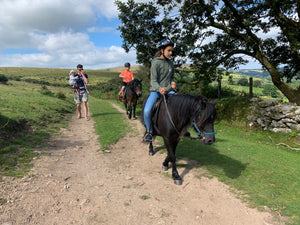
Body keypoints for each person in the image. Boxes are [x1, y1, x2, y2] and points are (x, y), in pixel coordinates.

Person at [143, 38, 176, 142]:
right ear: (162, 50)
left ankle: (179, 129)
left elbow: (171, 78)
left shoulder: (171, 63)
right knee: (147, 110)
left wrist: (173, 83)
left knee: (181, 105)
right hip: (156, 91)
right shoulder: (155, 63)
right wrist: (159, 89)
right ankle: (149, 131)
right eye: (169, 50)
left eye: (171, 50)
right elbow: (153, 80)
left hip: (169, 91)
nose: (171, 53)